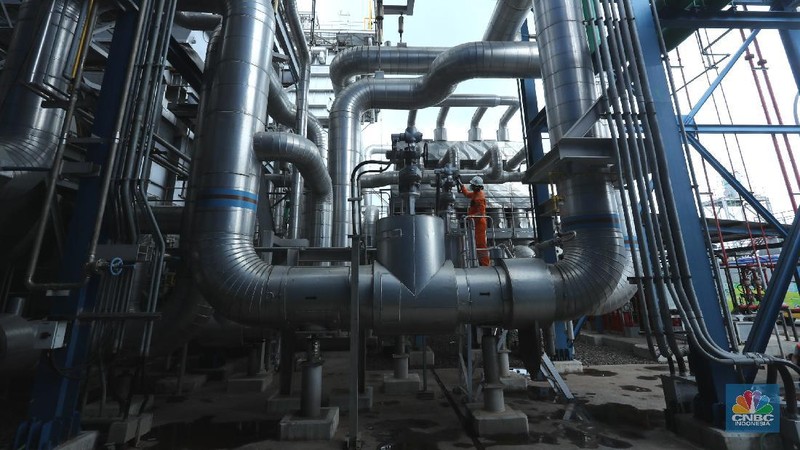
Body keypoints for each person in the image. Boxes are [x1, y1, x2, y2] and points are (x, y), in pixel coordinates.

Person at [458, 175, 489, 266]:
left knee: (481, 244)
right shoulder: (476, 194)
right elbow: (467, 194)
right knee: (475, 243)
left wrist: (469, 217)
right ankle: (479, 262)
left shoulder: (479, 198)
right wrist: (461, 185)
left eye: (473, 185)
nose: (471, 186)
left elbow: (480, 214)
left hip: (480, 224)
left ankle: (485, 264)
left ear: (477, 187)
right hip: (475, 223)